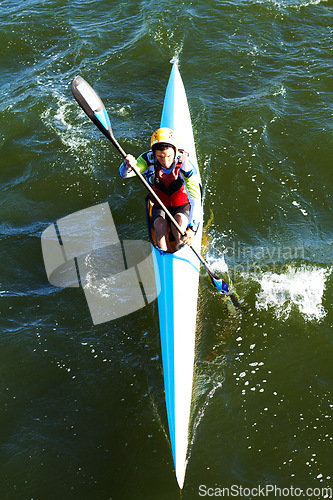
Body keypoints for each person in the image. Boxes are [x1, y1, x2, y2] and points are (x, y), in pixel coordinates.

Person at [119, 127, 202, 252]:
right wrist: (127, 165)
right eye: (160, 156)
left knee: (178, 224)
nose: (165, 161)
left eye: (169, 156)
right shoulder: (147, 159)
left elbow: (195, 201)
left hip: (182, 205)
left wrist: (193, 229)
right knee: (159, 226)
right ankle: (164, 255)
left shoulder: (185, 165)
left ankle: (180, 250)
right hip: (160, 205)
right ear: (154, 153)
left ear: (175, 151)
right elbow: (124, 174)